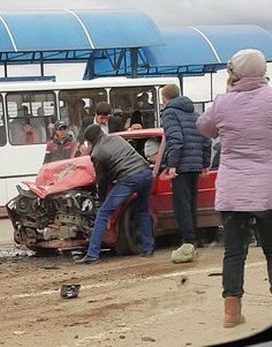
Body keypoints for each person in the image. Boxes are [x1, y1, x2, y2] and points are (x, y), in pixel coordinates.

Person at [197, 49, 272, 327]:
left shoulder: (223, 102)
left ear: (234, 74)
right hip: (271, 189)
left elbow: (204, 127)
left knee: (234, 252)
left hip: (234, 191)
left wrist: (226, 95)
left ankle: (231, 313)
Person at [75, 124, 154, 263]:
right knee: (143, 210)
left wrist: (101, 200)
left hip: (129, 178)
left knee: (103, 214)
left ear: (90, 141)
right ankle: (148, 248)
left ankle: (92, 254)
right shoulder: (117, 138)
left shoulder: (97, 153)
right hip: (146, 173)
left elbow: (102, 181)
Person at [159, 83, 211, 260]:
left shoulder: (169, 113)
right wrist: (204, 163)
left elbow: (175, 139)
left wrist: (172, 164)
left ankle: (188, 242)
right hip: (195, 164)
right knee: (190, 203)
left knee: (181, 205)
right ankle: (193, 241)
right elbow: (205, 139)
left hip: (181, 164)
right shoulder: (194, 113)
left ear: (164, 98)